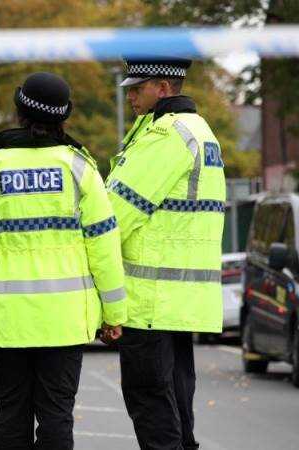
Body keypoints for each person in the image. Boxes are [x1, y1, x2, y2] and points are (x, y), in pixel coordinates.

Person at [0, 72, 127, 450]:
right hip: (65, 321)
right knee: (57, 415)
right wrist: (114, 315)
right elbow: (104, 246)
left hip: (7, 322)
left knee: (10, 415)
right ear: (64, 117)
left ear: (20, 112)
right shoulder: (80, 169)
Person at [104, 57, 226, 450]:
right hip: (180, 301)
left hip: (150, 301)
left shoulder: (165, 136)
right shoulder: (200, 131)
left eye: (137, 88)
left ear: (163, 88)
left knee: (151, 402)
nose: (131, 96)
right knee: (176, 404)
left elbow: (113, 216)